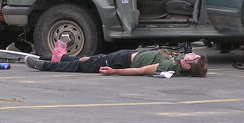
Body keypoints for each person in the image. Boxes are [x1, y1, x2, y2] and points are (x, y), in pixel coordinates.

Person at [25, 48, 208, 77]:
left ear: (188, 65)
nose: (192, 54)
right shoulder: (179, 58)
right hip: (126, 54)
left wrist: (114, 71)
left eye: (195, 57)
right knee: (86, 59)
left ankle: (44, 65)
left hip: (121, 62)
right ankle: (49, 57)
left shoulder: (169, 67)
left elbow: (142, 70)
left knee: (81, 65)